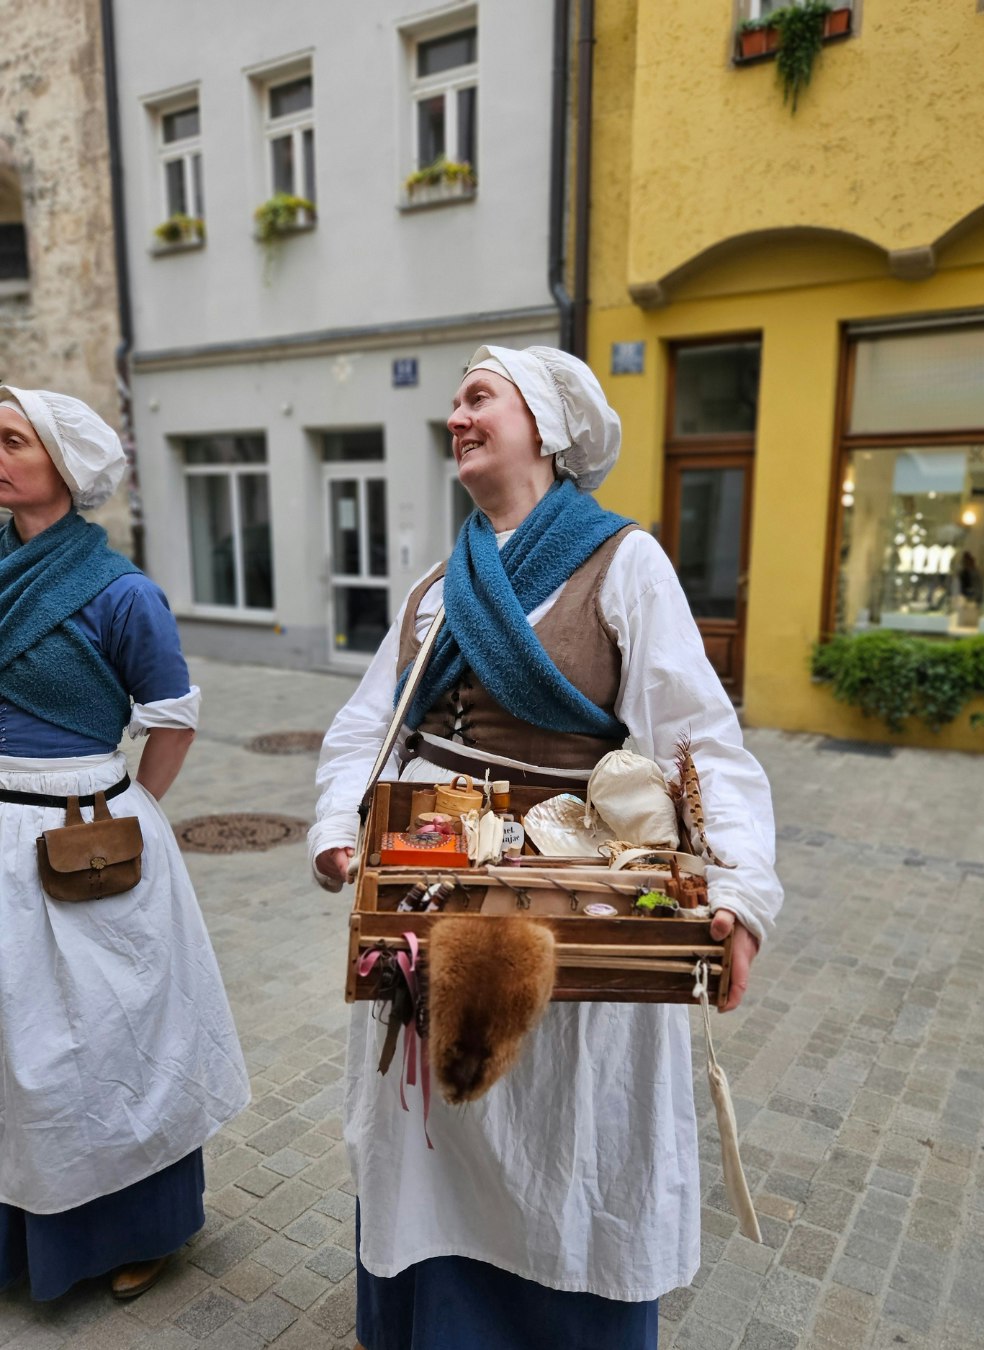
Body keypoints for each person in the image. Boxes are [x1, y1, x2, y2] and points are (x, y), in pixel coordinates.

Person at [310, 346, 783, 1350]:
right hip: (433, 879)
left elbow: (698, 737)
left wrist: (738, 892)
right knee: (438, 1127)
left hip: (578, 888)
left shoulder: (624, 561)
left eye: (479, 396)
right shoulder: (442, 584)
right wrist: (338, 825)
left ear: (547, 427)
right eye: (454, 402)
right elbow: (369, 724)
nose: (456, 415)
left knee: (565, 1130)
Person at [0, 387, 249, 1303]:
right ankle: (24, 1232)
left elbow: (172, 719)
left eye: (11, 439)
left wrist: (129, 805)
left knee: (113, 1039)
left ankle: (139, 1229)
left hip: (88, 838)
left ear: (62, 467)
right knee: (12, 1042)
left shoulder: (122, 593)